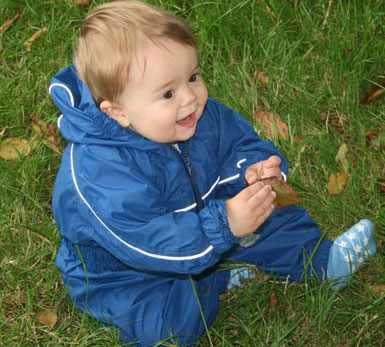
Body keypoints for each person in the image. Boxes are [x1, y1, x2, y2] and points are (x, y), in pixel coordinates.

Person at [49, 1, 376, 346]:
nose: (191, 97)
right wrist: (226, 224)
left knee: (270, 212)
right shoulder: (97, 173)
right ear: (118, 112)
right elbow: (150, 243)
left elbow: (240, 142)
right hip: (130, 270)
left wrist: (253, 167)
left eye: (193, 76)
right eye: (169, 93)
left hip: (202, 220)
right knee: (171, 328)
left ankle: (323, 262)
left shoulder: (195, 115)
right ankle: (212, 279)